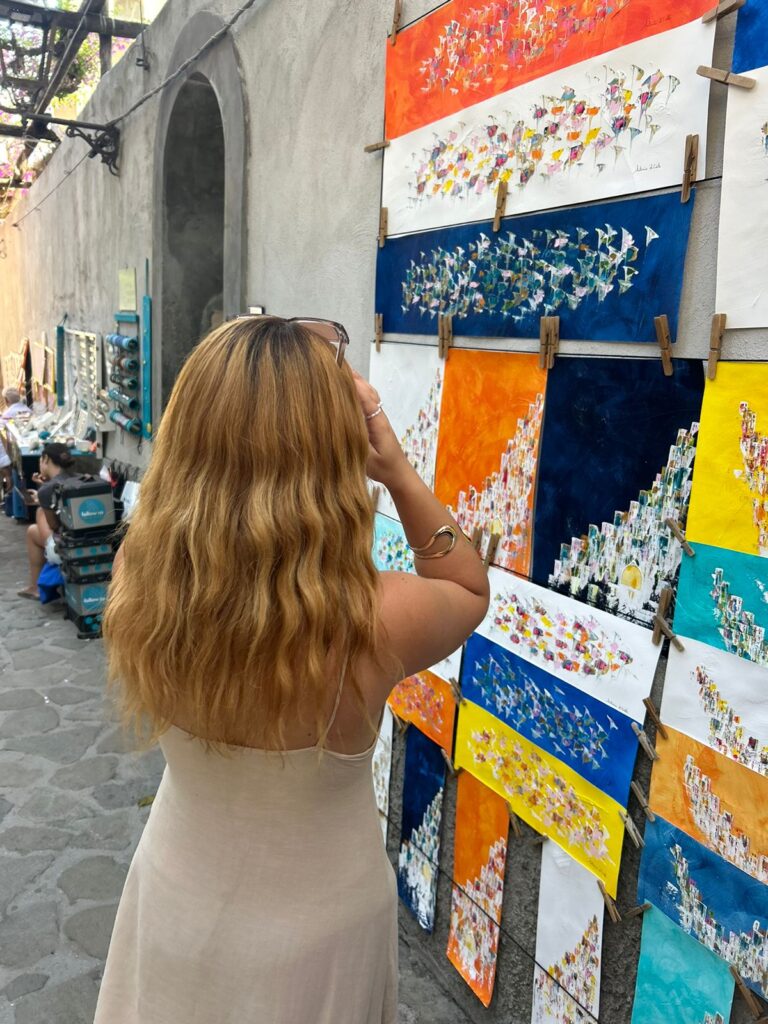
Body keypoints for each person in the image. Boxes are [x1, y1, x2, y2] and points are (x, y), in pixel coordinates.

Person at [97, 316, 490, 1024]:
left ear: (187, 439)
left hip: (176, 898)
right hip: (321, 935)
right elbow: (466, 584)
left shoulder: (140, 576)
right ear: (332, 451)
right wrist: (396, 469)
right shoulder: (371, 621)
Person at [17, 442, 77, 599]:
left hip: (65, 548)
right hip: (86, 540)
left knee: (34, 526)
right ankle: (37, 586)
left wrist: (42, 501)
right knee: (37, 522)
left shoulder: (46, 489)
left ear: (46, 459)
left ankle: (36, 587)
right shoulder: (78, 478)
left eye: (40, 461)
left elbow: (54, 525)